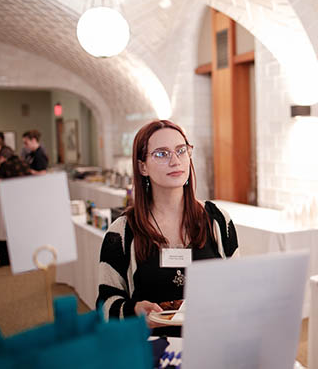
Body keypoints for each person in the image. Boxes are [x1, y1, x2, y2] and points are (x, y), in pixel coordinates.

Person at [96, 120, 239, 334]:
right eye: (161, 154)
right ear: (142, 166)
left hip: (210, 344)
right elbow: (104, 307)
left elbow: (237, 288)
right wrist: (134, 310)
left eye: (181, 150)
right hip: (151, 351)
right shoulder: (122, 232)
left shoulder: (218, 220)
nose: (175, 161)